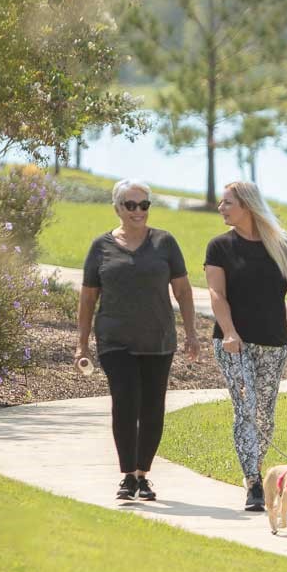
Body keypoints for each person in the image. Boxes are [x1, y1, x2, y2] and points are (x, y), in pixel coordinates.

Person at [204, 180, 287, 512]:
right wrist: (231, 333)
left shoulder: (281, 245)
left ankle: (257, 474)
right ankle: (253, 482)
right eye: (221, 203)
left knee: (264, 415)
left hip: (274, 344)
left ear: (247, 206)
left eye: (227, 203)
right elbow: (216, 295)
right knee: (246, 409)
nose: (221, 208)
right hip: (233, 343)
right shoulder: (219, 247)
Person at [74, 180, 200, 502]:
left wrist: (191, 334)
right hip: (115, 339)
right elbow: (88, 299)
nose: (138, 211)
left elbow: (183, 291)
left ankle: (144, 475)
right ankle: (127, 475)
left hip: (158, 339)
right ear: (117, 208)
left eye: (144, 205)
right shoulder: (100, 247)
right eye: (131, 205)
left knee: (153, 407)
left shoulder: (165, 243)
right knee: (125, 401)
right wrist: (82, 344)